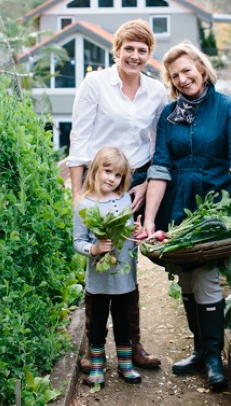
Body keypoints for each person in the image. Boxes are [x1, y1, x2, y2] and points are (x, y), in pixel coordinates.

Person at [143, 41, 231, 391]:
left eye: (187, 70)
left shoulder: (227, 108)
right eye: (175, 75)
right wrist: (150, 219)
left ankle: (212, 356)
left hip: (214, 209)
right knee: (187, 277)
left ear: (201, 67)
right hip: (178, 208)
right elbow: (160, 167)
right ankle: (199, 350)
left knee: (207, 277)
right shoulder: (167, 115)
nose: (182, 79)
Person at [66, 19, 167, 372]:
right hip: (101, 178)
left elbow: (158, 144)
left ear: (149, 55)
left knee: (127, 260)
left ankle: (132, 345)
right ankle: (93, 349)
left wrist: (146, 181)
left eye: (142, 51)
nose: (135, 56)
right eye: (129, 49)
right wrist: (79, 193)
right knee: (97, 258)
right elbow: (79, 139)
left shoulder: (156, 91)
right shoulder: (95, 83)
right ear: (118, 49)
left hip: (136, 178)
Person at [73, 147, 143, 388]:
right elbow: (77, 241)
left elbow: (128, 231)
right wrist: (94, 249)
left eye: (118, 176)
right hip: (99, 277)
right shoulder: (84, 204)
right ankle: (97, 365)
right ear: (96, 170)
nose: (112, 179)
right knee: (98, 322)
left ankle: (125, 364)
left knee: (123, 319)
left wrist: (136, 232)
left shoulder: (124, 199)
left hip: (123, 275)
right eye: (108, 171)